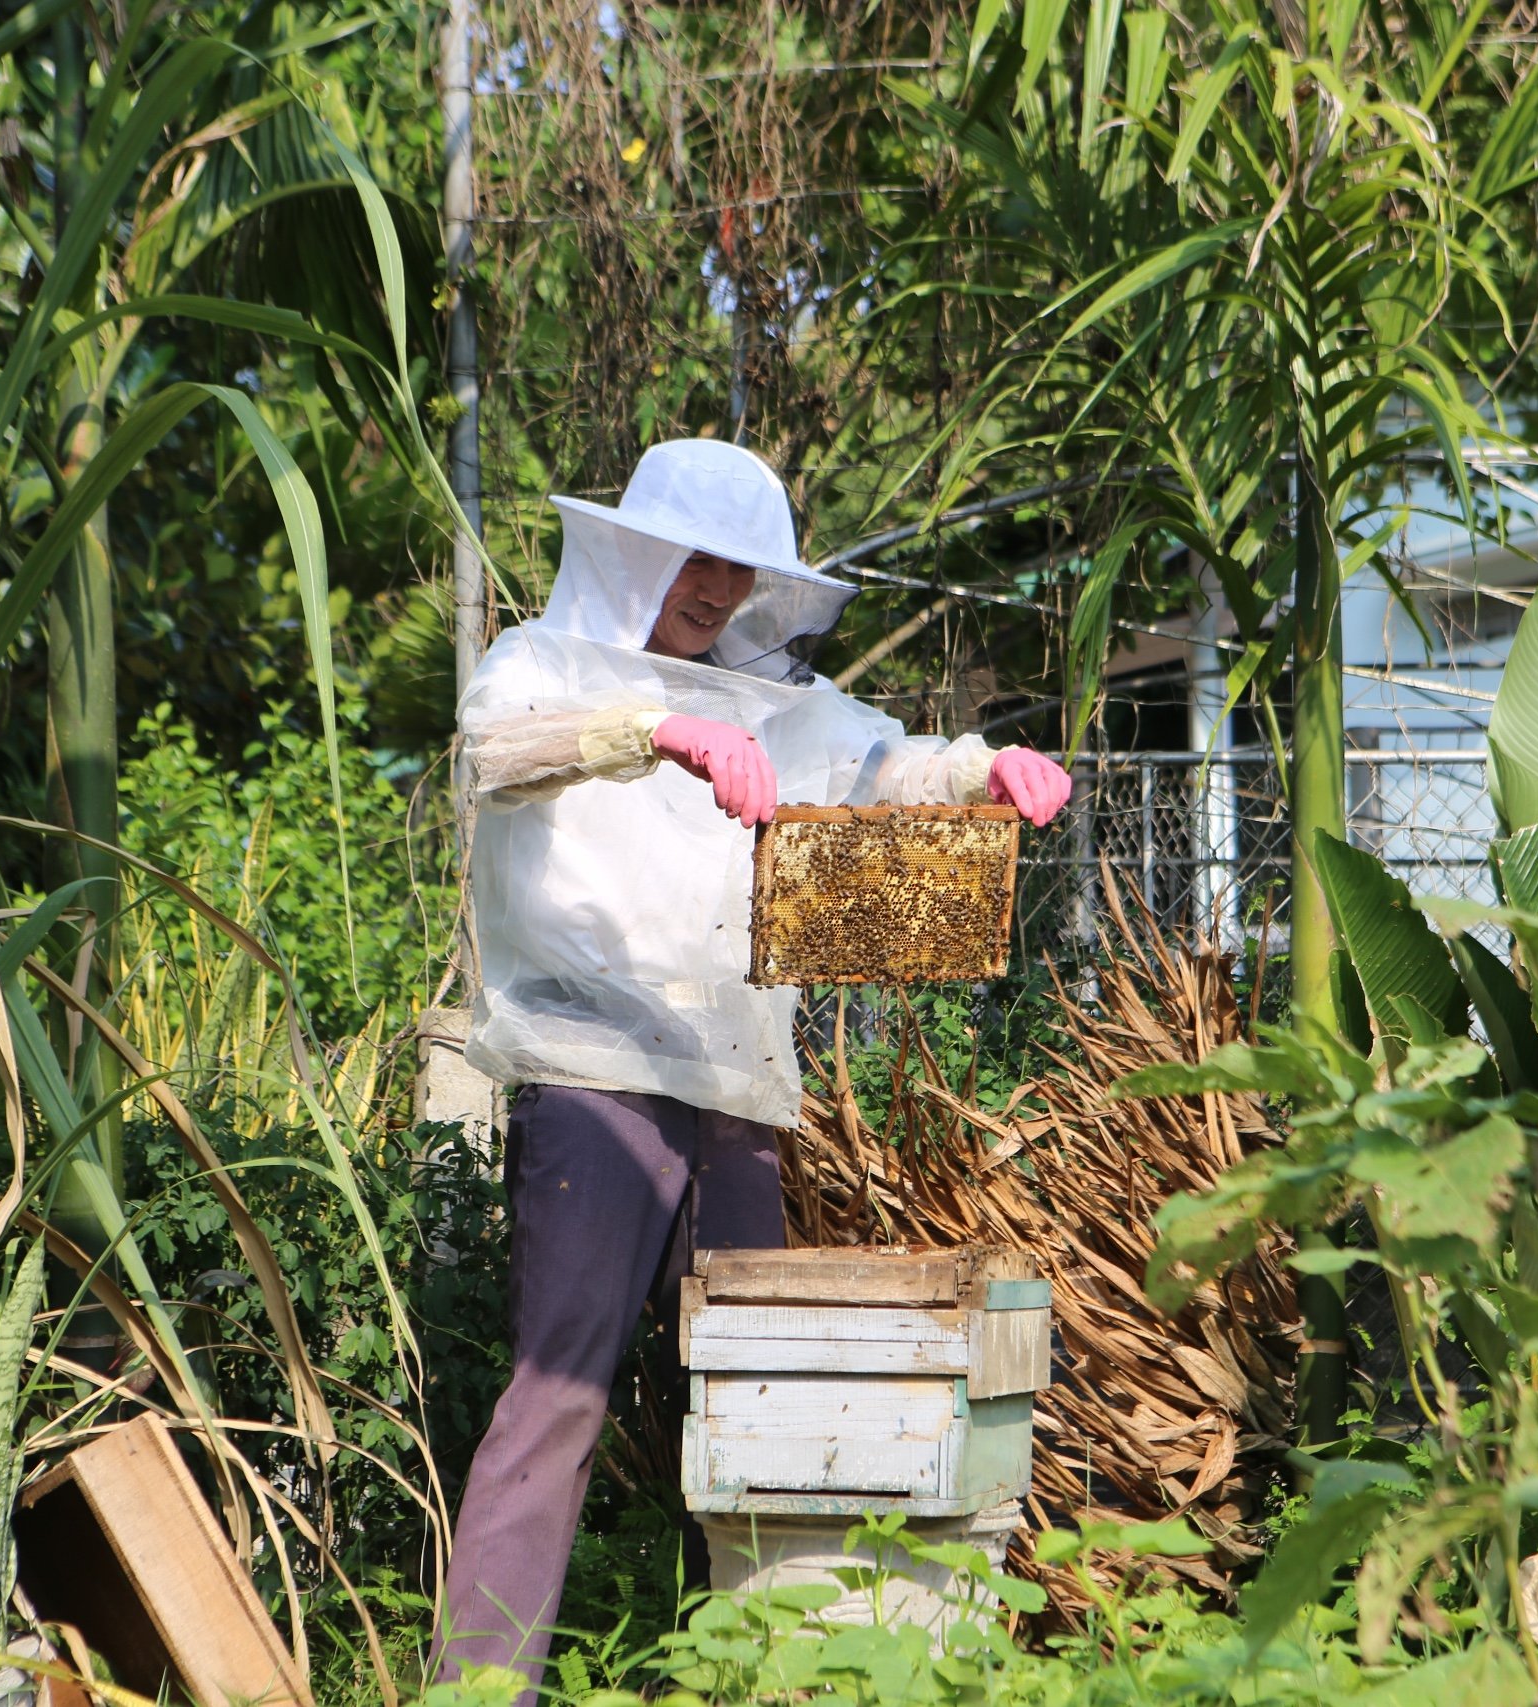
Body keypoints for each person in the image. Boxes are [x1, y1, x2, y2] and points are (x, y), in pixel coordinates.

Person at [436, 438, 1072, 1692]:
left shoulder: (775, 701)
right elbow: (496, 753)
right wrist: (649, 730)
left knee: (751, 1400)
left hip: (735, 1089)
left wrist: (977, 769)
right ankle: (477, 1687)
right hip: (592, 1071)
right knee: (559, 1394)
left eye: (743, 570)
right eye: (701, 560)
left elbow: (882, 761)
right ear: (633, 550)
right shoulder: (541, 662)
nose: (721, 590)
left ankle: (752, 1671)